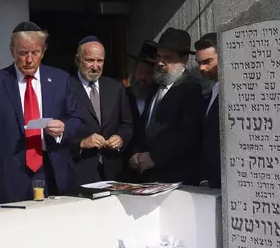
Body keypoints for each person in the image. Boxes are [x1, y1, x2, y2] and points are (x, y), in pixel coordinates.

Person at [0, 22, 83, 204]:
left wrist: (64, 127)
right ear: (12, 50)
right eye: (23, 53)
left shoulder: (59, 79)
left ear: (44, 50)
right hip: (9, 176)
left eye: (35, 52)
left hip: (52, 172)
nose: (30, 60)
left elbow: (77, 120)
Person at [129, 27, 205, 185]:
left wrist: (154, 158)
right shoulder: (154, 88)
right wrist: (136, 155)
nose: (160, 63)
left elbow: (188, 136)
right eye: (158, 57)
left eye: (167, 58)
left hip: (176, 181)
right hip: (148, 179)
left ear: (183, 60)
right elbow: (144, 129)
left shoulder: (191, 89)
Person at [69, 36, 133, 188]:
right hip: (79, 172)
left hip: (113, 173)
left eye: (100, 61)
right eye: (90, 60)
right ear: (77, 60)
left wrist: (121, 138)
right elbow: (57, 132)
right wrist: (82, 143)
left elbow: (127, 124)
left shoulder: (115, 88)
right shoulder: (65, 88)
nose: (95, 66)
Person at [195, 32, 221, 189]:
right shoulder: (212, 88)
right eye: (199, 62)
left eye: (208, 61)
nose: (202, 68)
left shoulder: (235, 92)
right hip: (210, 181)